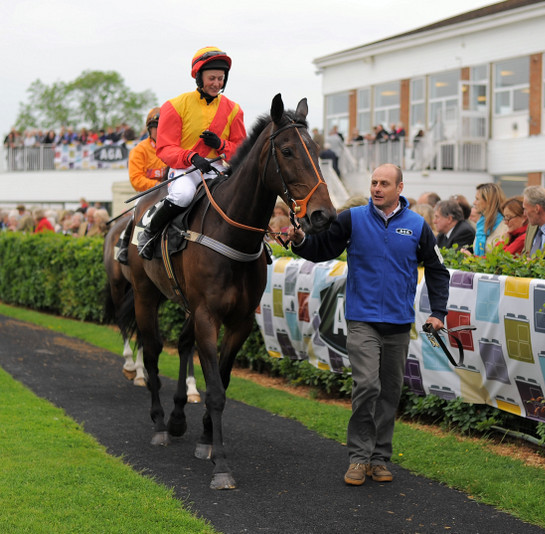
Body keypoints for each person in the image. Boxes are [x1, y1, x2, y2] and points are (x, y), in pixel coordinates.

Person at [286, 163, 449, 486]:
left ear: (399, 188)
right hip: (362, 320)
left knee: (389, 393)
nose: (376, 188)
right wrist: (301, 240)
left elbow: (437, 269)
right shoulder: (353, 219)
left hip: (399, 324)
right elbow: (322, 250)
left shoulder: (417, 226)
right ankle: (359, 457)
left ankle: (380, 458)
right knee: (367, 386)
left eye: (384, 184)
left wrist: (438, 313)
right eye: (374, 182)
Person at [138, 46, 246, 260]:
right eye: (212, 78)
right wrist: (191, 157)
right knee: (183, 195)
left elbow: (242, 152)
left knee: (240, 198)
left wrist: (221, 144)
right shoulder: (174, 106)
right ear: (199, 77)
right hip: (184, 168)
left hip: (217, 168)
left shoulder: (234, 110)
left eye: (221, 78)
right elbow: (165, 148)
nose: (216, 83)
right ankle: (149, 233)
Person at [129, 107, 167, 193]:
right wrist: (157, 185)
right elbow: (136, 179)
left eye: (163, 126)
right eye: (156, 127)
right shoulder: (139, 150)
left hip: (172, 192)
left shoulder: (175, 147)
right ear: (150, 129)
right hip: (148, 194)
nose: (159, 130)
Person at [471, 183, 507, 256]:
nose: (474, 203)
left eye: (477, 199)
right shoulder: (481, 224)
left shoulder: (505, 226)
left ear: (488, 201)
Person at [521, 186, 545, 257]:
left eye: (525, 209)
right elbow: (524, 254)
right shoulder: (531, 227)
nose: (524, 214)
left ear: (537, 209)